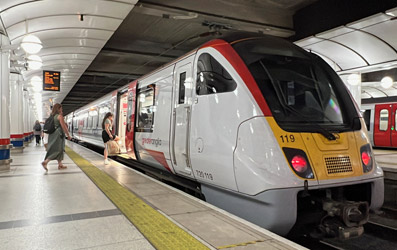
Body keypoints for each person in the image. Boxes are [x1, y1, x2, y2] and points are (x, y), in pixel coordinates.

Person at [41, 103, 72, 171]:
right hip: (58, 135)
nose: (62, 109)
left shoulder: (51, 116)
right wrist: (68, 135)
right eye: (61, 108)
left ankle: (60, 165)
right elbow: (64, 127)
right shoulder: (59, 116)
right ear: (58, 109)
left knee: (58, 149)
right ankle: (45, 162)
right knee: (57, 150)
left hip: (52, 135)